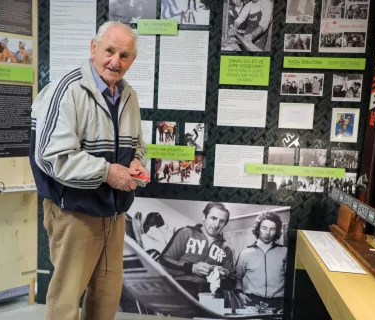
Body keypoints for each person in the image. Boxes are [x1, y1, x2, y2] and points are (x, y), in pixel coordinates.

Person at [29, 21, 148, 320]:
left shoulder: (128, 96)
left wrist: (137, 163)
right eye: (109, 50)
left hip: (114, 214)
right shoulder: (66, 90)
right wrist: (108, 173)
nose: (115, 61)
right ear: (93, 48)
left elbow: (138, 146)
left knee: (106, 299)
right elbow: (50, 157)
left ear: (132, 60)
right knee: (66, 300)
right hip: (74, 213)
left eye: (124, 55)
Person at [158, 203, 235, 300]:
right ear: (204, 216)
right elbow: (162, 263)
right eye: (213, 218)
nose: (216, 225)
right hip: (182, 290)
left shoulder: (227, 249)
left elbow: (231, 284)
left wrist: (224, 276)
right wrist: (192, 268)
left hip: (210, 296)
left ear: (225, 224)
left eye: (222, 221)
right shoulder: (185, 233)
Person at [234, 211, 287, 313]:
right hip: (252, 303)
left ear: (276, 231)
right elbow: (237, 278)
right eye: (264, 228)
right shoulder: (245, 253)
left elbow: (291, 280)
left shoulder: (285, 252)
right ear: (258, 229)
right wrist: (240, 294)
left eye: (272, 229)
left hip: (278, 304)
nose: (267, 233)